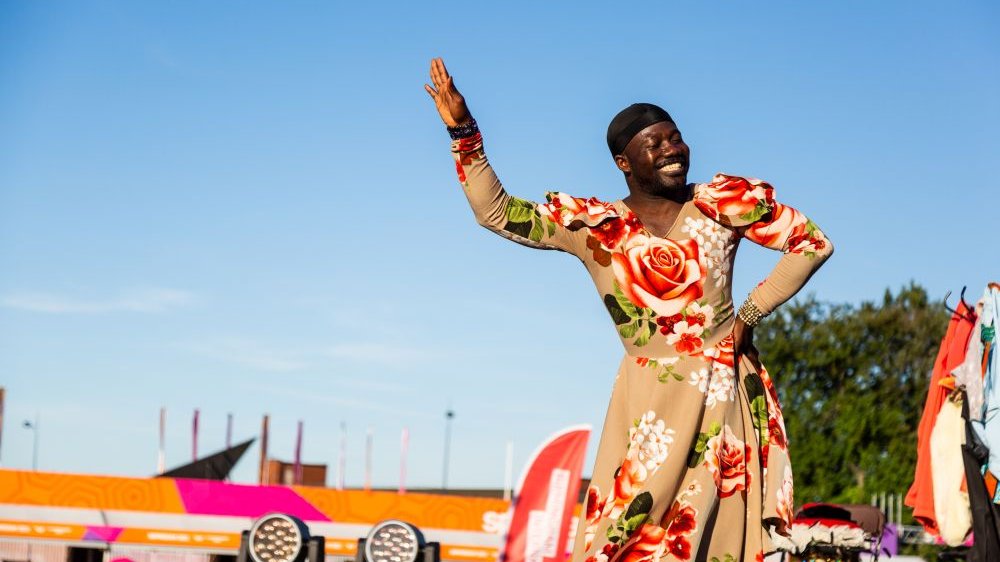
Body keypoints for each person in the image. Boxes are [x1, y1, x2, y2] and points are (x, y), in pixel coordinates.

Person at [424, 57, 833, 562]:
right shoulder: (596, 227)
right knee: (622, 539)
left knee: (716, 537)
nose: (672, 150)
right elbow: (498, 212)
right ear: (624, 161)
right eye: (654, 143)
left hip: (721, 394)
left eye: (676, 137)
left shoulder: (721, 205)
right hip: (647, 408)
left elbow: (811, 243)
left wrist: (748, 315)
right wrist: (464, 133)